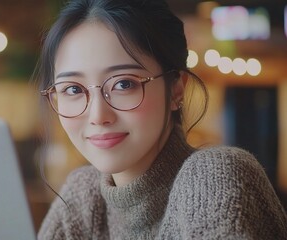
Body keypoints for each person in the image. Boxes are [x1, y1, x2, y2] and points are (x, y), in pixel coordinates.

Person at [34, 0, 287, 239]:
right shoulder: (82, 197)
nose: (99, 116)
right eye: (73, 90)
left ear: (176, 90)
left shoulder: (212, 175)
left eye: (124, 84)